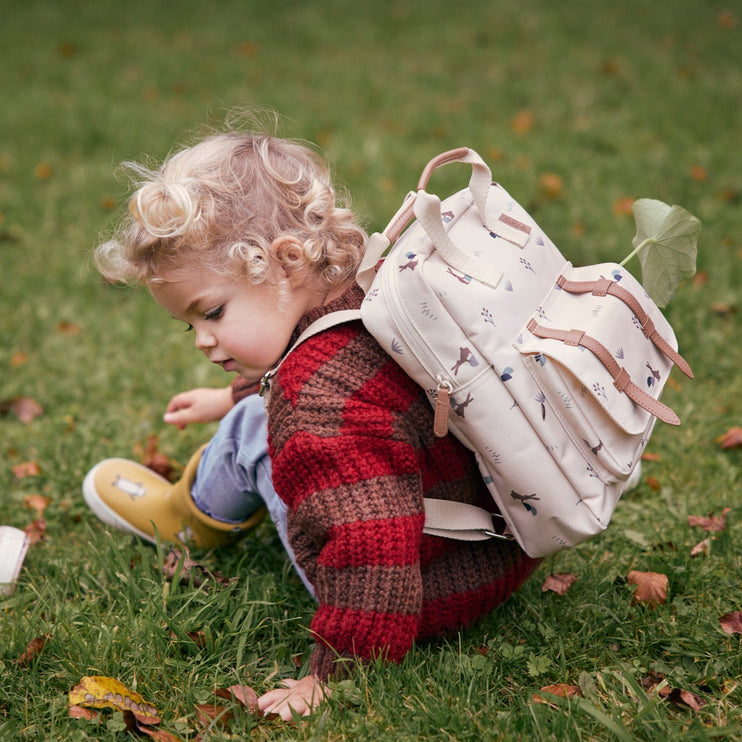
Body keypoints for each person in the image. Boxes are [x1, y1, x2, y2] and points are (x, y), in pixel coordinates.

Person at [83, 126, 539, 720]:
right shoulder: (376, 290)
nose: (202, 339)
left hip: (418, 596)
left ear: (288, 263)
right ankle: (216, 464)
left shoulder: (314, 404)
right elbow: (326, 354)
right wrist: (232, 394)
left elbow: (372, 539)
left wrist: (335, 675)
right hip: (497, 551)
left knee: (254, 431)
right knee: (251, 411)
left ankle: (187, 517)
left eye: (212, 312)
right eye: (189, 325)